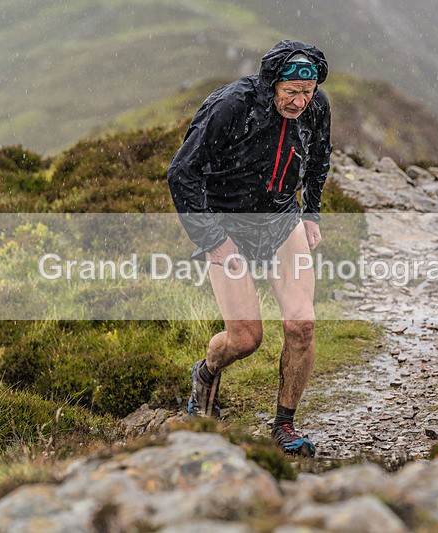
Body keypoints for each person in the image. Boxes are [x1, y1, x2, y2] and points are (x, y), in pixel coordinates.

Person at [167, 40, 331, 456]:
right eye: (291, 92)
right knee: (244, 338)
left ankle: (285, 425)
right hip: (227, 226)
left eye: (307, 92)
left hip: (279, 221)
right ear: (273, 83)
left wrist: (310, 213)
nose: (299, 101)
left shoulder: (316, 107)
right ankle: (206, 375)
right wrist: (212, 239)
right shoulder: (232, 105)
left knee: (302, 324)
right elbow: (181, 173)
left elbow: (318, 160)